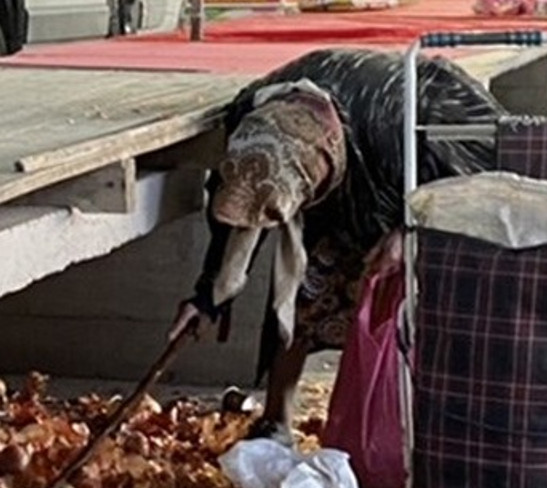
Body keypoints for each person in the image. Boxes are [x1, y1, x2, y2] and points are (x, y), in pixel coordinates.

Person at [168, 48, 506, 445]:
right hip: (341, 175)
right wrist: (209, 296)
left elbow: (479, 182)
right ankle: (276, 421)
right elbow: (245, 210)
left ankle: (429, 428)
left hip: (411, 170)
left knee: (413, 309)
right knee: (303, 290)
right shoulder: (252, 117)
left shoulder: (400, 120)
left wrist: (411, 229)